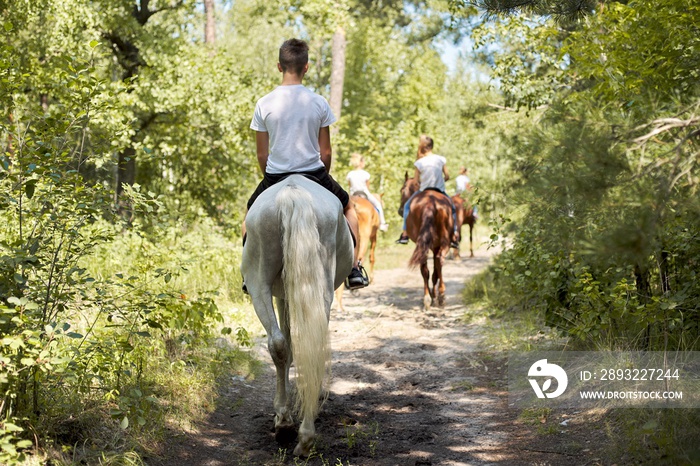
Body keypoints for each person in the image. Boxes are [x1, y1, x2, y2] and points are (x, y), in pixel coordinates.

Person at [245, 38, 368, 290]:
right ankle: (354, 269)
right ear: (307, 67)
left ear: (279, 67)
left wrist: (270, 178)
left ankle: (250, 276)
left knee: (249, 215)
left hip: (275, 177)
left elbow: (261, 155)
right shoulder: (319, 102)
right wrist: (322, 181)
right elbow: (326, 151)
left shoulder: (264, 103)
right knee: (350, 210)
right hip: (315, 174)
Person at [396, 135, 460, 249]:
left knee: (406, 206)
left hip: (424, 190)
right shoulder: (441, 159)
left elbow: (415, 182)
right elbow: (447, 176)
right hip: (439, 190)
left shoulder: (419, 162)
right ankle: (454, 234)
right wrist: (441, 180)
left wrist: (421, 183)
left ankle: (405, 233)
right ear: (432, 146)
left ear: (423, 147)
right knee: (453, 208)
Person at [346, 153, 389, 231]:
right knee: (378, 204)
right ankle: (382, 223)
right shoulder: (366, 174)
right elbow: (367, 187)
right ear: (361, 163)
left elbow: (350, 186)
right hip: (364, 193)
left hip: (353, 194)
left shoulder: (350, 174)